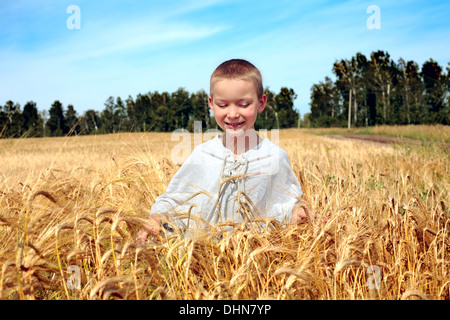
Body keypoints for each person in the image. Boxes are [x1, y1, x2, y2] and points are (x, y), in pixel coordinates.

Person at [136, 59, 314, 244]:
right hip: (203, 258)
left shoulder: (275, 156)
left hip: (256, 260)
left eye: (243, 104)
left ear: (261, 103)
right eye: (223, 105)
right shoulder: (202, 154)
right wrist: (156, 219)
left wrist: (298, 212)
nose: (232, 113)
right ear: (211, 105)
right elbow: (177, 198)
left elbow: (286, 202)